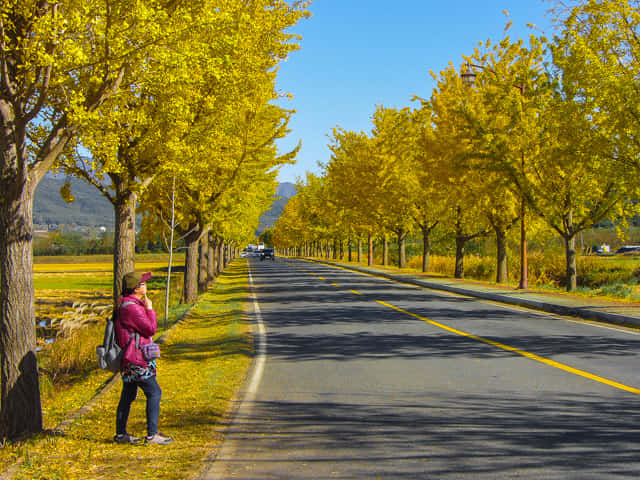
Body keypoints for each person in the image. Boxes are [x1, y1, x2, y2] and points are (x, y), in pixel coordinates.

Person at [113, 271, 173, 445]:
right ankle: (152, 434)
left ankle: (120, 434)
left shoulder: (127, 304)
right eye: (143, 283)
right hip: (136, 358)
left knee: (128, 394)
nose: (146, 286)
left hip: (130, 357)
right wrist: (150, 309)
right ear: (136, 288)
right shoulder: (132, 308)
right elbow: (150, 329)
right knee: (154, 392)